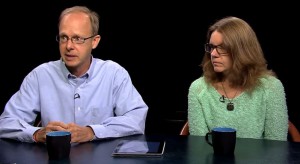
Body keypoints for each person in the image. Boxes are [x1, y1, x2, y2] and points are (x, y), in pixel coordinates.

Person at [0, 6, 148, 143]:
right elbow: (6, 123)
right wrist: (36, 134)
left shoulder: (114, 74)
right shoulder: (40, 76)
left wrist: (92, 132)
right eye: (64, 37)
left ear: (94, 42)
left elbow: (136, 119)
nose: (69, 46)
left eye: (78, 39)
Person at [187, 16, 288, 141]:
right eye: (212, 47)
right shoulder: (198, 88)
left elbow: (276, 148)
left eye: (222, 48)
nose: (213, 54)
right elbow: (199, 146)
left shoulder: (271, 87)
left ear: (242, 51)